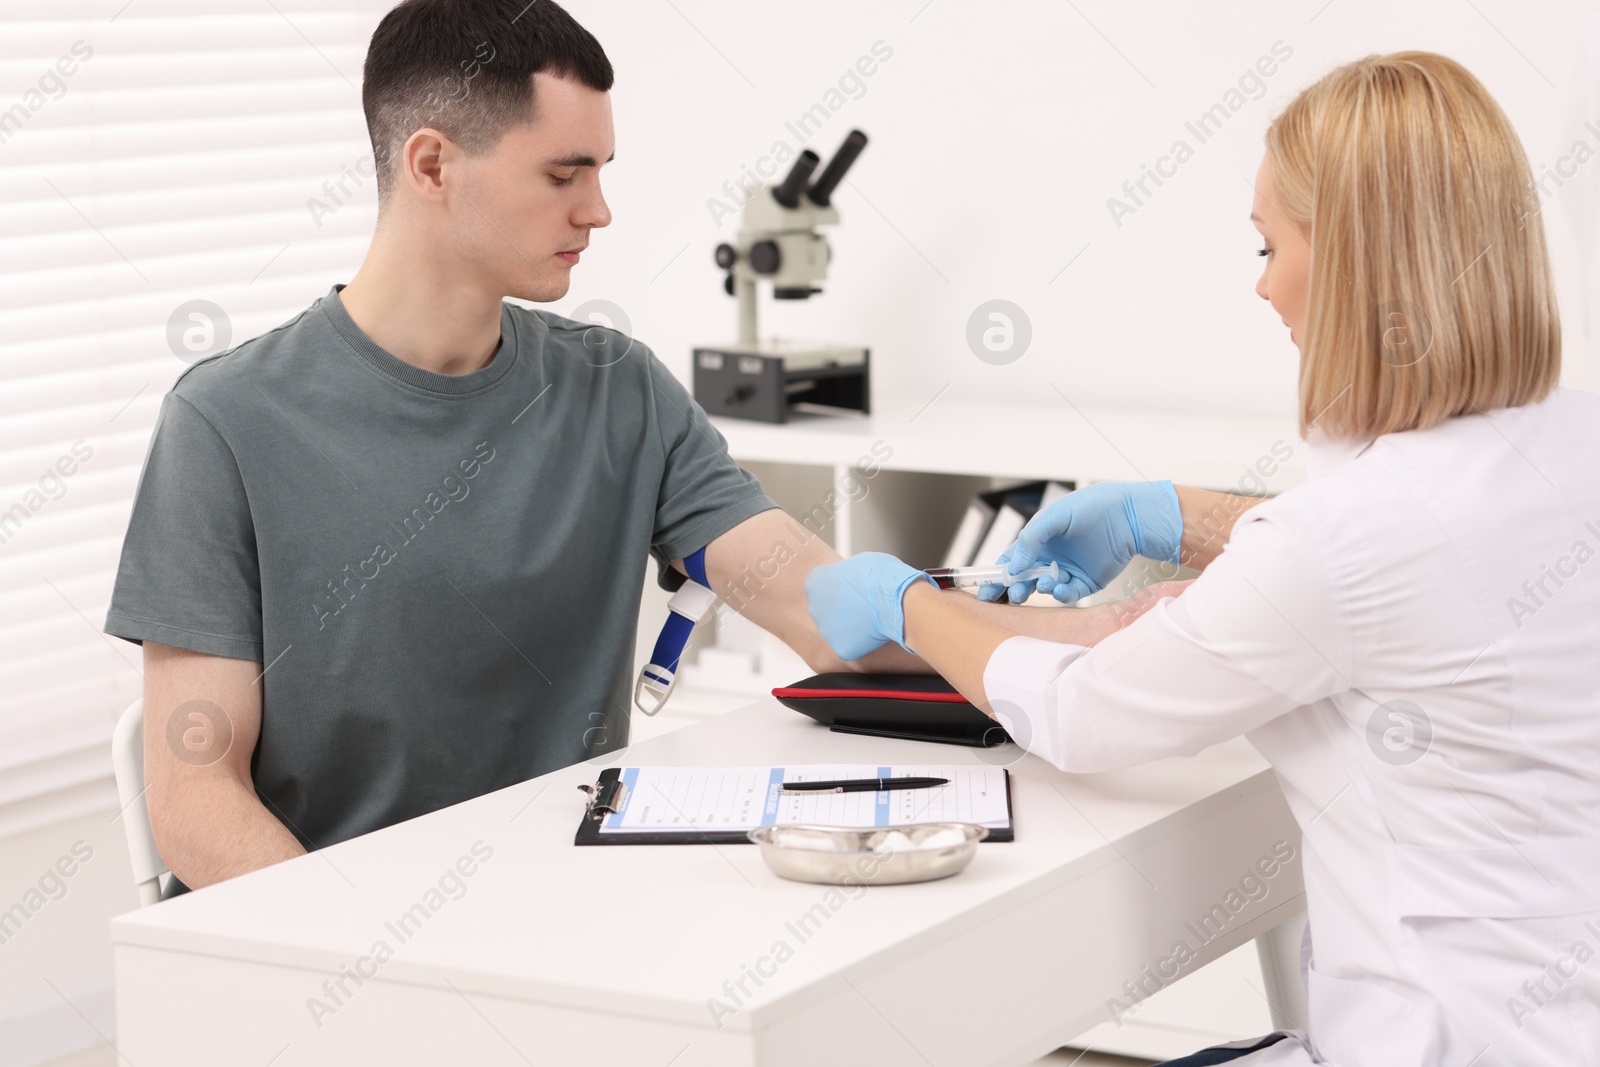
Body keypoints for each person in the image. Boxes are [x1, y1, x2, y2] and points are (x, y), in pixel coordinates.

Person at [103, 0, 1120, 898]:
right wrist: (364, 976)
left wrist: (1095, 632)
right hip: (325, 957)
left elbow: (821, 608)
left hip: (563, 914)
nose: (597, 209)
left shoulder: (614, 389)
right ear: (430, 164)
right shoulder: (228, 422)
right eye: (563, 172)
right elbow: (194, 791)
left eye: (600, 170)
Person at [805, 52, 1600, 1066]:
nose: (1262, 285)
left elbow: (1084, 709)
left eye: (1270, 245)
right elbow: (1418, 554)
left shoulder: (1341, 544)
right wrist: (1176, 519)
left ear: (1355, 262)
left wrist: (902, 595)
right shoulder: (1573, 442)